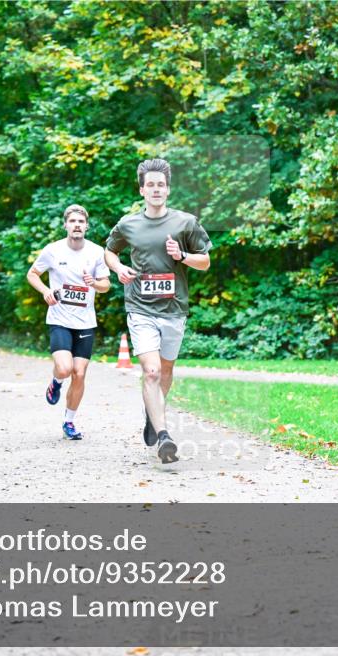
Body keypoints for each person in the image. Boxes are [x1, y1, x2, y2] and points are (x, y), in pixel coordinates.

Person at [103, 158, 212, 464]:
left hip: (174, 310)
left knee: (165, 371)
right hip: (140, 308)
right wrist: (119, 268)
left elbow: (205, 262)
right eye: (150, 185)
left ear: (168, 190)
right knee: (150, 371)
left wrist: (183, 255)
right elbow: (109, 252)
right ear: (142, 190)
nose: (155, 189)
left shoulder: (186, 223)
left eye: (160, 185)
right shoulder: (128, 224)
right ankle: (165, 436)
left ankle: (153, 416)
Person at [27, 204, 111, 440]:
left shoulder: (96, 252)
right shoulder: (53, 250)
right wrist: (45, 291)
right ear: (66, 225)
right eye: (72, 221)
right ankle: (55, 381)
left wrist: (94, 283)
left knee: (80, 374)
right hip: (60, 319)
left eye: (81, 222)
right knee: (65, 368)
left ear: (86, 226)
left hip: (85, 322)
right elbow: (32, 274)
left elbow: (106, 285)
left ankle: (69, 422)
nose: (77, 225)